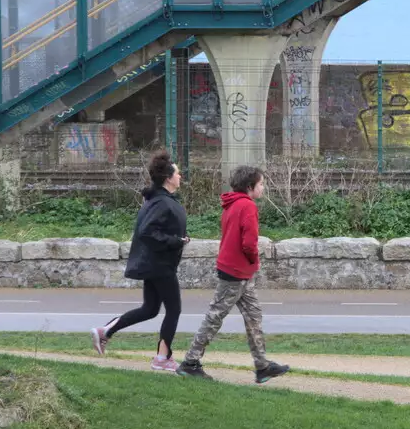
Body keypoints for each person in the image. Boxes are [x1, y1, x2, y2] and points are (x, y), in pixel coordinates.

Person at [177, 166, 291, 382]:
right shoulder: (247, 206)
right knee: (215, 317)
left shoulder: (232, 204)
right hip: (236, 272)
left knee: (253, 316)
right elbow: (249, 243)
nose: (263, 188)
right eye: (261, 184)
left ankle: (262, 366)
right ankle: (190, 362)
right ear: (250, 187)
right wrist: (254, 260)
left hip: (238, 271)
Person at [92, 151, 189, 371]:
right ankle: (162, 359)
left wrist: (179, 239)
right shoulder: (161, 202)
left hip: (156, 264)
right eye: (178, 173)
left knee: (150, 309)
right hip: (160, 265)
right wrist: (175, 241)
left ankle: (104, 331)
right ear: (168, 177)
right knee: (174, 310)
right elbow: (147, 232)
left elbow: (158, 230)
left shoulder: (160, 199)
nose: (181, 176)